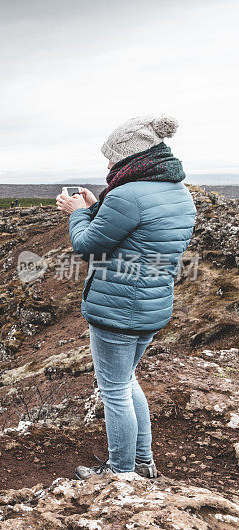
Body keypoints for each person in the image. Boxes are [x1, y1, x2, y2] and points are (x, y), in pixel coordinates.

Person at [55, 115, 196, 480]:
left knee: (114, 390)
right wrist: (98, 206)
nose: (107, 164)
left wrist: (79, 214)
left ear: (130, 157)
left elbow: (87, 246)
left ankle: (121, 473)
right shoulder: (179, 192)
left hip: (117, 310)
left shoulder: (127, 194)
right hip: (152, 306)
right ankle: (143, 463)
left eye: (112, 157)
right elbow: (139, 236)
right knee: (127, 381)